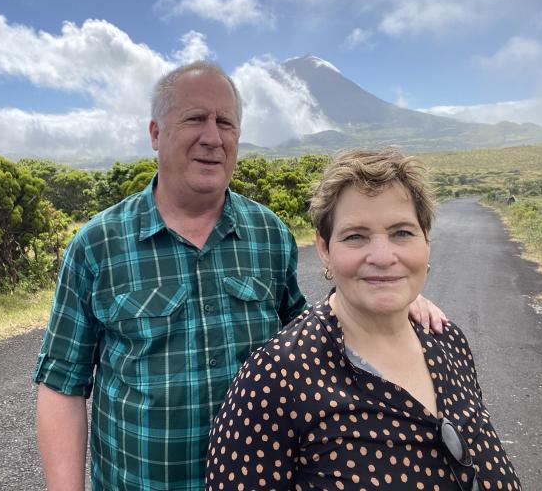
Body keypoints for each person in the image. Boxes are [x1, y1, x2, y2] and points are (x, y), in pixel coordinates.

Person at [34, 63, 447, 491]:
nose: (212, 137)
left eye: (225, 123)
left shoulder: (268, 233)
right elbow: (62, 385)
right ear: (156, 133)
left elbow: (313, 334)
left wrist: (391, 300)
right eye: (195, 118)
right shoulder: (98, 244)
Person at [206, 148, 521, 491]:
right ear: (324, 249)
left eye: (402, 232)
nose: (383, 257)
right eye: (356, 236)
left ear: (426, 240)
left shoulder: (447, 340)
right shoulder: (274, 379)